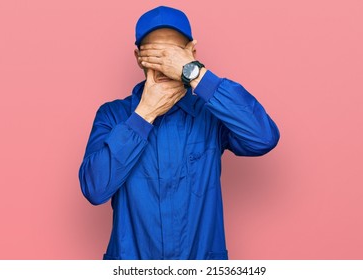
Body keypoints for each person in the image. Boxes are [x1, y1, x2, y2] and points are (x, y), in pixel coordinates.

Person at [79, 5, 280, 260]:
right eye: (154, 55)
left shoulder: (211, 115)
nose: (164, 65)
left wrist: (196, 74)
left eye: (172, 55)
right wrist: (144, 115)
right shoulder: (113, 115)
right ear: (138, 56)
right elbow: (94, 189)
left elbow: (263, 137)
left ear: (191, 53)